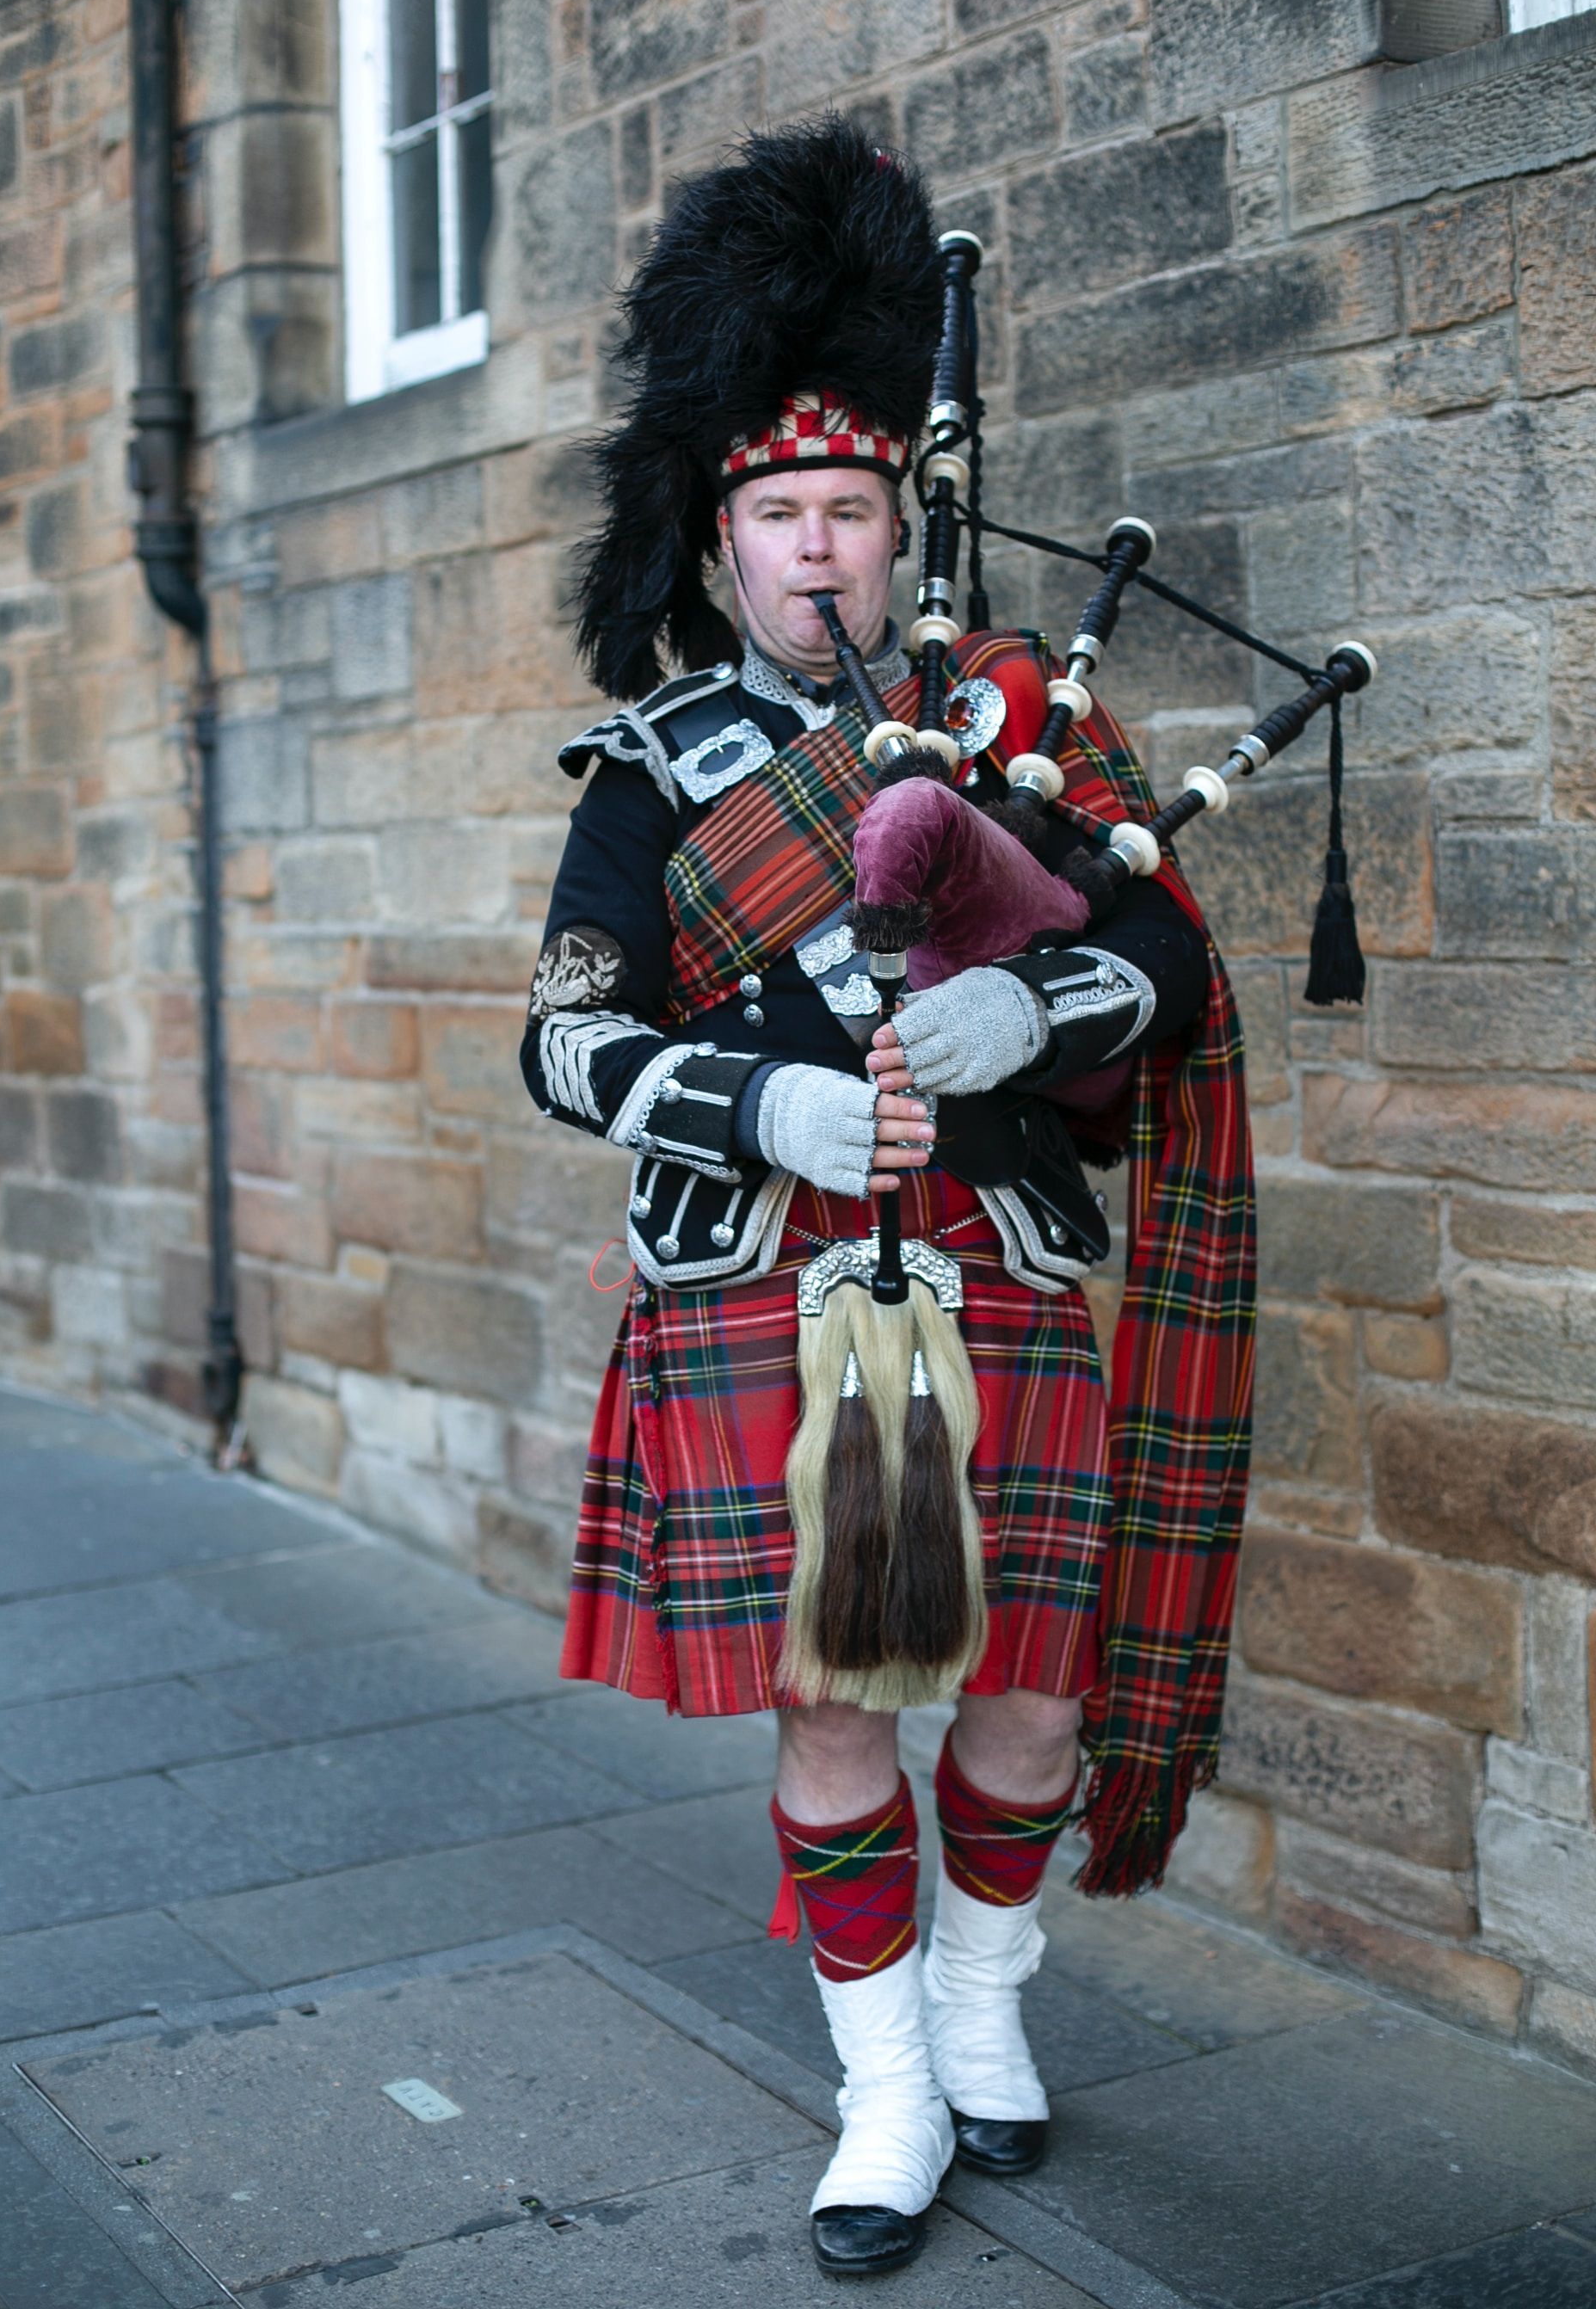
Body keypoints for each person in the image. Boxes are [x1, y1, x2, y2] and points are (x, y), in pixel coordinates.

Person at [521, 117, 1254, 2278]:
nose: (820, 548)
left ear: (895, 523)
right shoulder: (657, 781)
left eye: (851, 507)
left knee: (1031, 1683)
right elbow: (563, 1038)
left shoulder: (1025, 724)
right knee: (836, 1694)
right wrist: (762, 1109)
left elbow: (1178, 962)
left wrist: (1040, 1021)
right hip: (768, 1278)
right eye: (780, 514)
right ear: (721, 542)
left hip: (999, 1268)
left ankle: (984, 2004)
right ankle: (879, 2085)